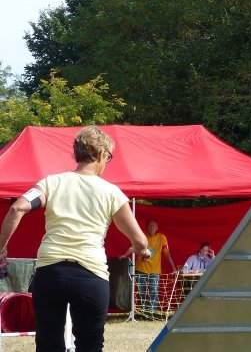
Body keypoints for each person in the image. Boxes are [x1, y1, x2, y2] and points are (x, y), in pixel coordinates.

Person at [0, 126, 151, 352]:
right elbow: (140, 240)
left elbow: (17, 209)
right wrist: (143, 250)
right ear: (101, 154)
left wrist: (1, 248)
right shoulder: (111, 192)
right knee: (90, 345)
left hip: (50, 274)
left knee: (48, 344)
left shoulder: (51, 183)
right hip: (91, 276)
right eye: (108, 157)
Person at [120, 219, 176, 314]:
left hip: (155, 270)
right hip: (141, 269)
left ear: (157, 227)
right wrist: (125, 255)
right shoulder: (142, 236)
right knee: (141, 292)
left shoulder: (162, 237)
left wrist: (173, 268)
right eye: (150, 225)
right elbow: (133, 247)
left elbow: (166, 253)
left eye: (154, 226)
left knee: (153, 291)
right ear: (147, 227)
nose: (152, 228)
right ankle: (143, 312)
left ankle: (152, 313)